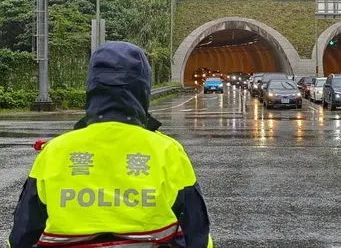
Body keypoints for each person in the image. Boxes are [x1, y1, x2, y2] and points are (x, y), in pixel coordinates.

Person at [9, 41, 213, 248]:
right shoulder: (168, 152)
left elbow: (22, 236)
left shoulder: (54, 152)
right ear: (143, 90)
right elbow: (198, 234)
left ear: (92, 87)